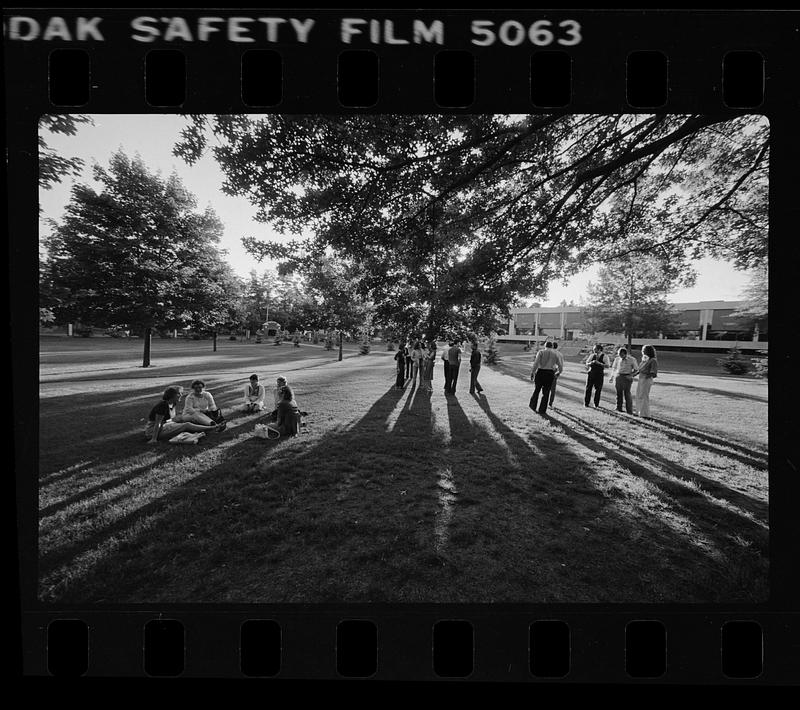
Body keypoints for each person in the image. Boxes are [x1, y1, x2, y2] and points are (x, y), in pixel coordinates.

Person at [145, 386, 223, 443]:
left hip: (164, 426)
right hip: (152, 432)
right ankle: (212, 428)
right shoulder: (162, 405)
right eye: (179, 394)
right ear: (172, 395)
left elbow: (167, 419)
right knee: (186, 425)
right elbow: (157, 423)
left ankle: (210, 426)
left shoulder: (173, 403)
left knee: (185, 422)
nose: (181, 395)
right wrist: (154, 439)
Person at [529, 341, 561, 415]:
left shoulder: (541, 352)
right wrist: (558, 373)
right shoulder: (555, 354)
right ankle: (542, 410)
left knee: (537, 390)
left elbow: (536, 363)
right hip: (550, 373)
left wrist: (533, 372)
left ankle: (533, 406)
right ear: (551, 346)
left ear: (545, 346)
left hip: (540, 372)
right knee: (546, 393)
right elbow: (560, 366)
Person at [610, 347, 639, 413]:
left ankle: (629, 410)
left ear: (625, 354)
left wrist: (631, 375)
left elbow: (636, 370)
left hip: (627, 377)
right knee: (618, 393)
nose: (620, 356)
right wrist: (612, 377)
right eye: (619, 354)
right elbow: (614, 368)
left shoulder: (632, 359)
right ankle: (618, 408)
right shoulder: (617, 359)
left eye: (621, 355)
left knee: (627, 393)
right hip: (618, 376)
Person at [636, 344, 658, 418]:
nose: (642, 351)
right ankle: (640, 412)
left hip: (646, 380)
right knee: (639, 395)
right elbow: (640, 369)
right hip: (641, 379)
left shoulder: (653, 360)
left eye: (644, 350)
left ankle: (645, 414)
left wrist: (646, 374)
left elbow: (653, 373)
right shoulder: (645, 359)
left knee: (644, 396)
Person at [548, 341, 565, 406]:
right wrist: (558, 373)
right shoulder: (560, 354)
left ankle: (545, 401)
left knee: (546, 387)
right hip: (555, 371)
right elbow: (561, 365)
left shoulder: (549, 353)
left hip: (548, 370)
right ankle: (550, 402)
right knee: (553, 388)